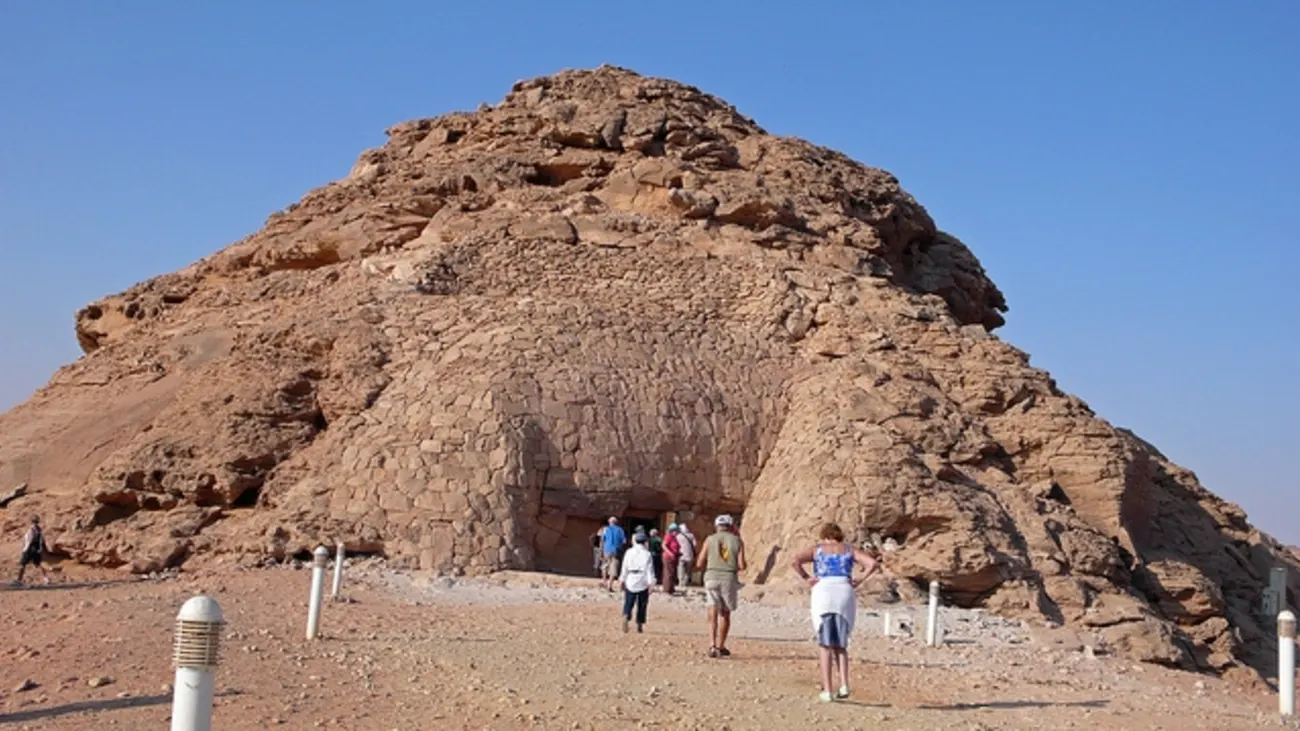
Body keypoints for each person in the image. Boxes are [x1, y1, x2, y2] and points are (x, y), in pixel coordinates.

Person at [791, 522, 881, 702]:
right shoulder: (849, 549)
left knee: (825, 644)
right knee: (841, 643)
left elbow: (795, 561)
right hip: (844, 590)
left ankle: (827, 688)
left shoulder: (818, 550)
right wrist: (859, 580)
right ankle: (844, 684)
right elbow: (872, 564)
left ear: (824, 535)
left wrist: (807, 578)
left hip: (823, 590)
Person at [695, 514, 746, 658]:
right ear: (731, 527)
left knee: (712, 612)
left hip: (711, 577)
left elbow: (699, 562)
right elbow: (742, 565)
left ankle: (711, 645)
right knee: (725, 613)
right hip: (728, 578)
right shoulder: (737, 541)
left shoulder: (709, 539)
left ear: (716, 526)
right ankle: (721, 645)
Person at [619, 532, 657, 633]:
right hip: (642, 580)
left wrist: (622, 580)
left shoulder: (629, 552)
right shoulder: (647, 554)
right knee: (642, 604)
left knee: (628, 601)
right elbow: (650, 570)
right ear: (645, 542)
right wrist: (651, 583)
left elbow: (624, 567)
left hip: (630, 578)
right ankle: (639, 624)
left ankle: (626, 615)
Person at [14, 515, 51, 586]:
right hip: (37, 549)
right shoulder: (39, 530)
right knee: (40, 563)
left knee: (22, 564)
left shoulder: (31, 529)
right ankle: (46, 578)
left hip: (30, 549)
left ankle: (19, 580)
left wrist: (25, 549)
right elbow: (42, 540)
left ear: (31, 521)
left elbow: (29, 540)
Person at [600, 517, 627, 592]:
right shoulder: (620, 530)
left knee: (605, 566)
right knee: (613, 567)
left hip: (607, 549)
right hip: (616, 550)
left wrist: (601, 551)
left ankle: (605, 582)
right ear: (616, 522)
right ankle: (610, 585)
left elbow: (602, 540)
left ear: (609, 522)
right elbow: (624, 541)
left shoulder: (605, 529)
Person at [661, 524, 681, 595]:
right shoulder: (668, 536)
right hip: (668, 557)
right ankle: (667, 589)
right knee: (668, 573)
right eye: (676, 531)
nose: (677, 532)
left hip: (673, 557)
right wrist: (670, 553)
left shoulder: (674, 537)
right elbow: (664, 545)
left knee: (672, 573)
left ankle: (671, 588)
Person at [676, 522, 696, 588]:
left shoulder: (678, 536)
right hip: (690, 555)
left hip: (681, 555)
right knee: (688, 570)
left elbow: (676, 545)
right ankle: (685, 583)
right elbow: (695, 545)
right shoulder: (691, 535)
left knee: (680, 569)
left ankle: (680, 582)